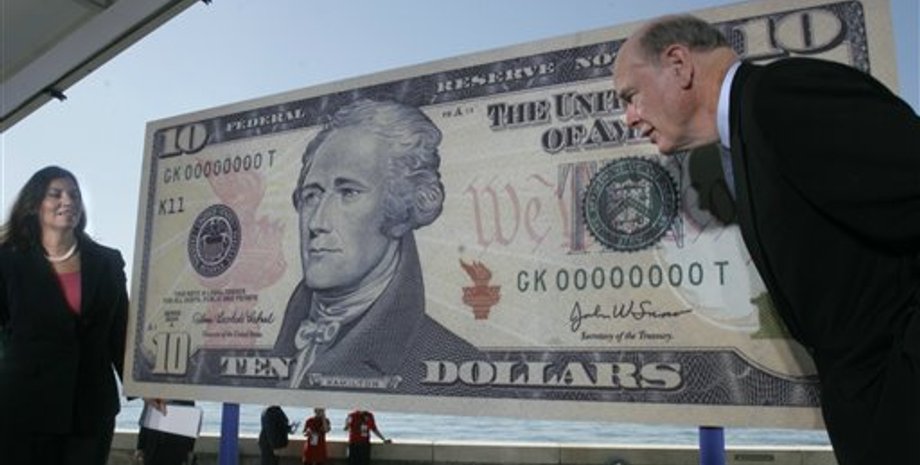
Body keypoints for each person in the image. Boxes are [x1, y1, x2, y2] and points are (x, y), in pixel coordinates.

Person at [612, 15, 919, 465]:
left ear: (679, 64)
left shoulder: (781, 96)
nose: (629, 117)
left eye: (630, 96)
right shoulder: (746, 128)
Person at [272, 98, 481, 388]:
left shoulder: (454, 364)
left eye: (348, 193)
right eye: (312, 196)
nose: (316, 222)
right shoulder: (284, 339)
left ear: (399, 209)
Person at [0, 165, 129, 465]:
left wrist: (145, 386)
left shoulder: (108, 262)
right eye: (55, 194)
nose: (67, 201)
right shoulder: (7, 262)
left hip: (90, 409)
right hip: (22, 408)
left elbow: (121, 333)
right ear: (35, 204)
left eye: (74, 195)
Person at [135, 399, 198, 465]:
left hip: (175, 444)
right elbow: (147, 415)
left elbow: (190, 420)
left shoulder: (185, 397)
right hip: (154, 443)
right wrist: (140, 445)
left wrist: (190, 448)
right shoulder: (153, 396)